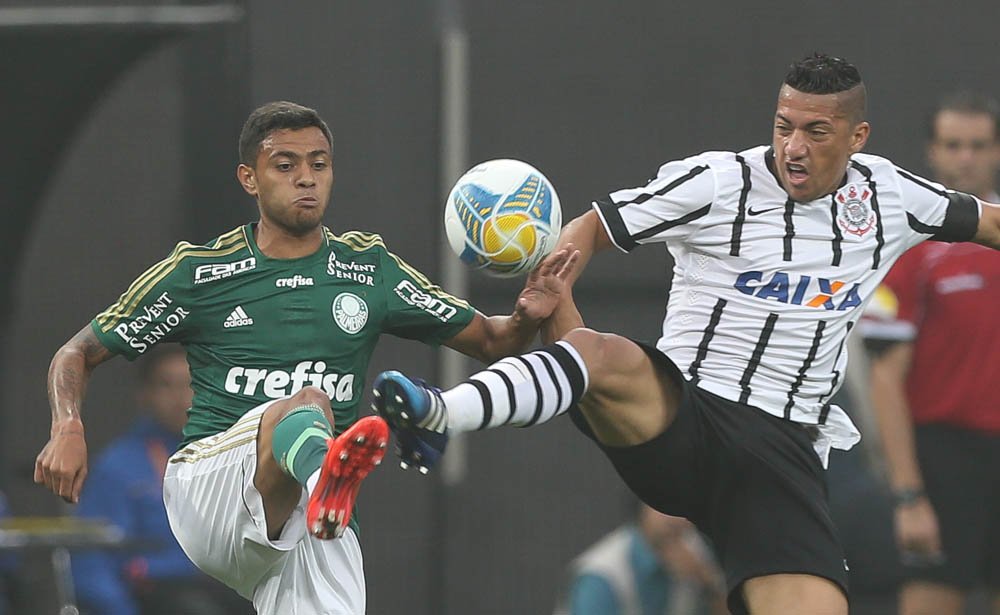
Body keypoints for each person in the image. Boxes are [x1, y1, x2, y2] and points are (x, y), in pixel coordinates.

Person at [372, 53, 1000, 615]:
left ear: (857, 137)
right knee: (599, 352)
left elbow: (986, 221)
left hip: (783, 460)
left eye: (817, 131)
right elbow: (591, 227)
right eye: (784, 127)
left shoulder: (888, 196)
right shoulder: (718, 182)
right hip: (687, 417)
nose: (794, 147)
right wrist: (553, 289)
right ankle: (438, 416)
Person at [34, 101, 578, 614]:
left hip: (313, 519)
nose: (306, 177)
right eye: (286, 164)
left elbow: (492, 342)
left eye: (319, 164)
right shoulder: (200, 273)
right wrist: (67, 427)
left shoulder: (369, 270)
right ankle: (327, 471)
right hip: (212, 488)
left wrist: (528, 316)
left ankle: (325, 479)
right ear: (250, 178)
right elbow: (76, 352)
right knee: (309, 403)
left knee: (313, 436)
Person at [861, 91, 1000, 615]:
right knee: (931, 600)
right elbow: (884, 379)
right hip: (945, 459)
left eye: (978, 144)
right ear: (933, 152)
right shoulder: (913, 245)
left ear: (997, 150)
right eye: (953, 144)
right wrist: (908, 496)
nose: (966, 156)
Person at [70, 344, 252, 615]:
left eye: (189, 385)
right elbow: (92, 560)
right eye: (167, 385)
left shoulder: (228, 456)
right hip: (157, 590)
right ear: (145, 395)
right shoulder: (117, 465)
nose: (180, 398)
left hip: (221, 584)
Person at [555, 504, 726, 615]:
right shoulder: (602, 575)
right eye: (666, 505)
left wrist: (707, 584)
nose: (678, 520)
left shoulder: (697, 558)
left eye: (685, 507)